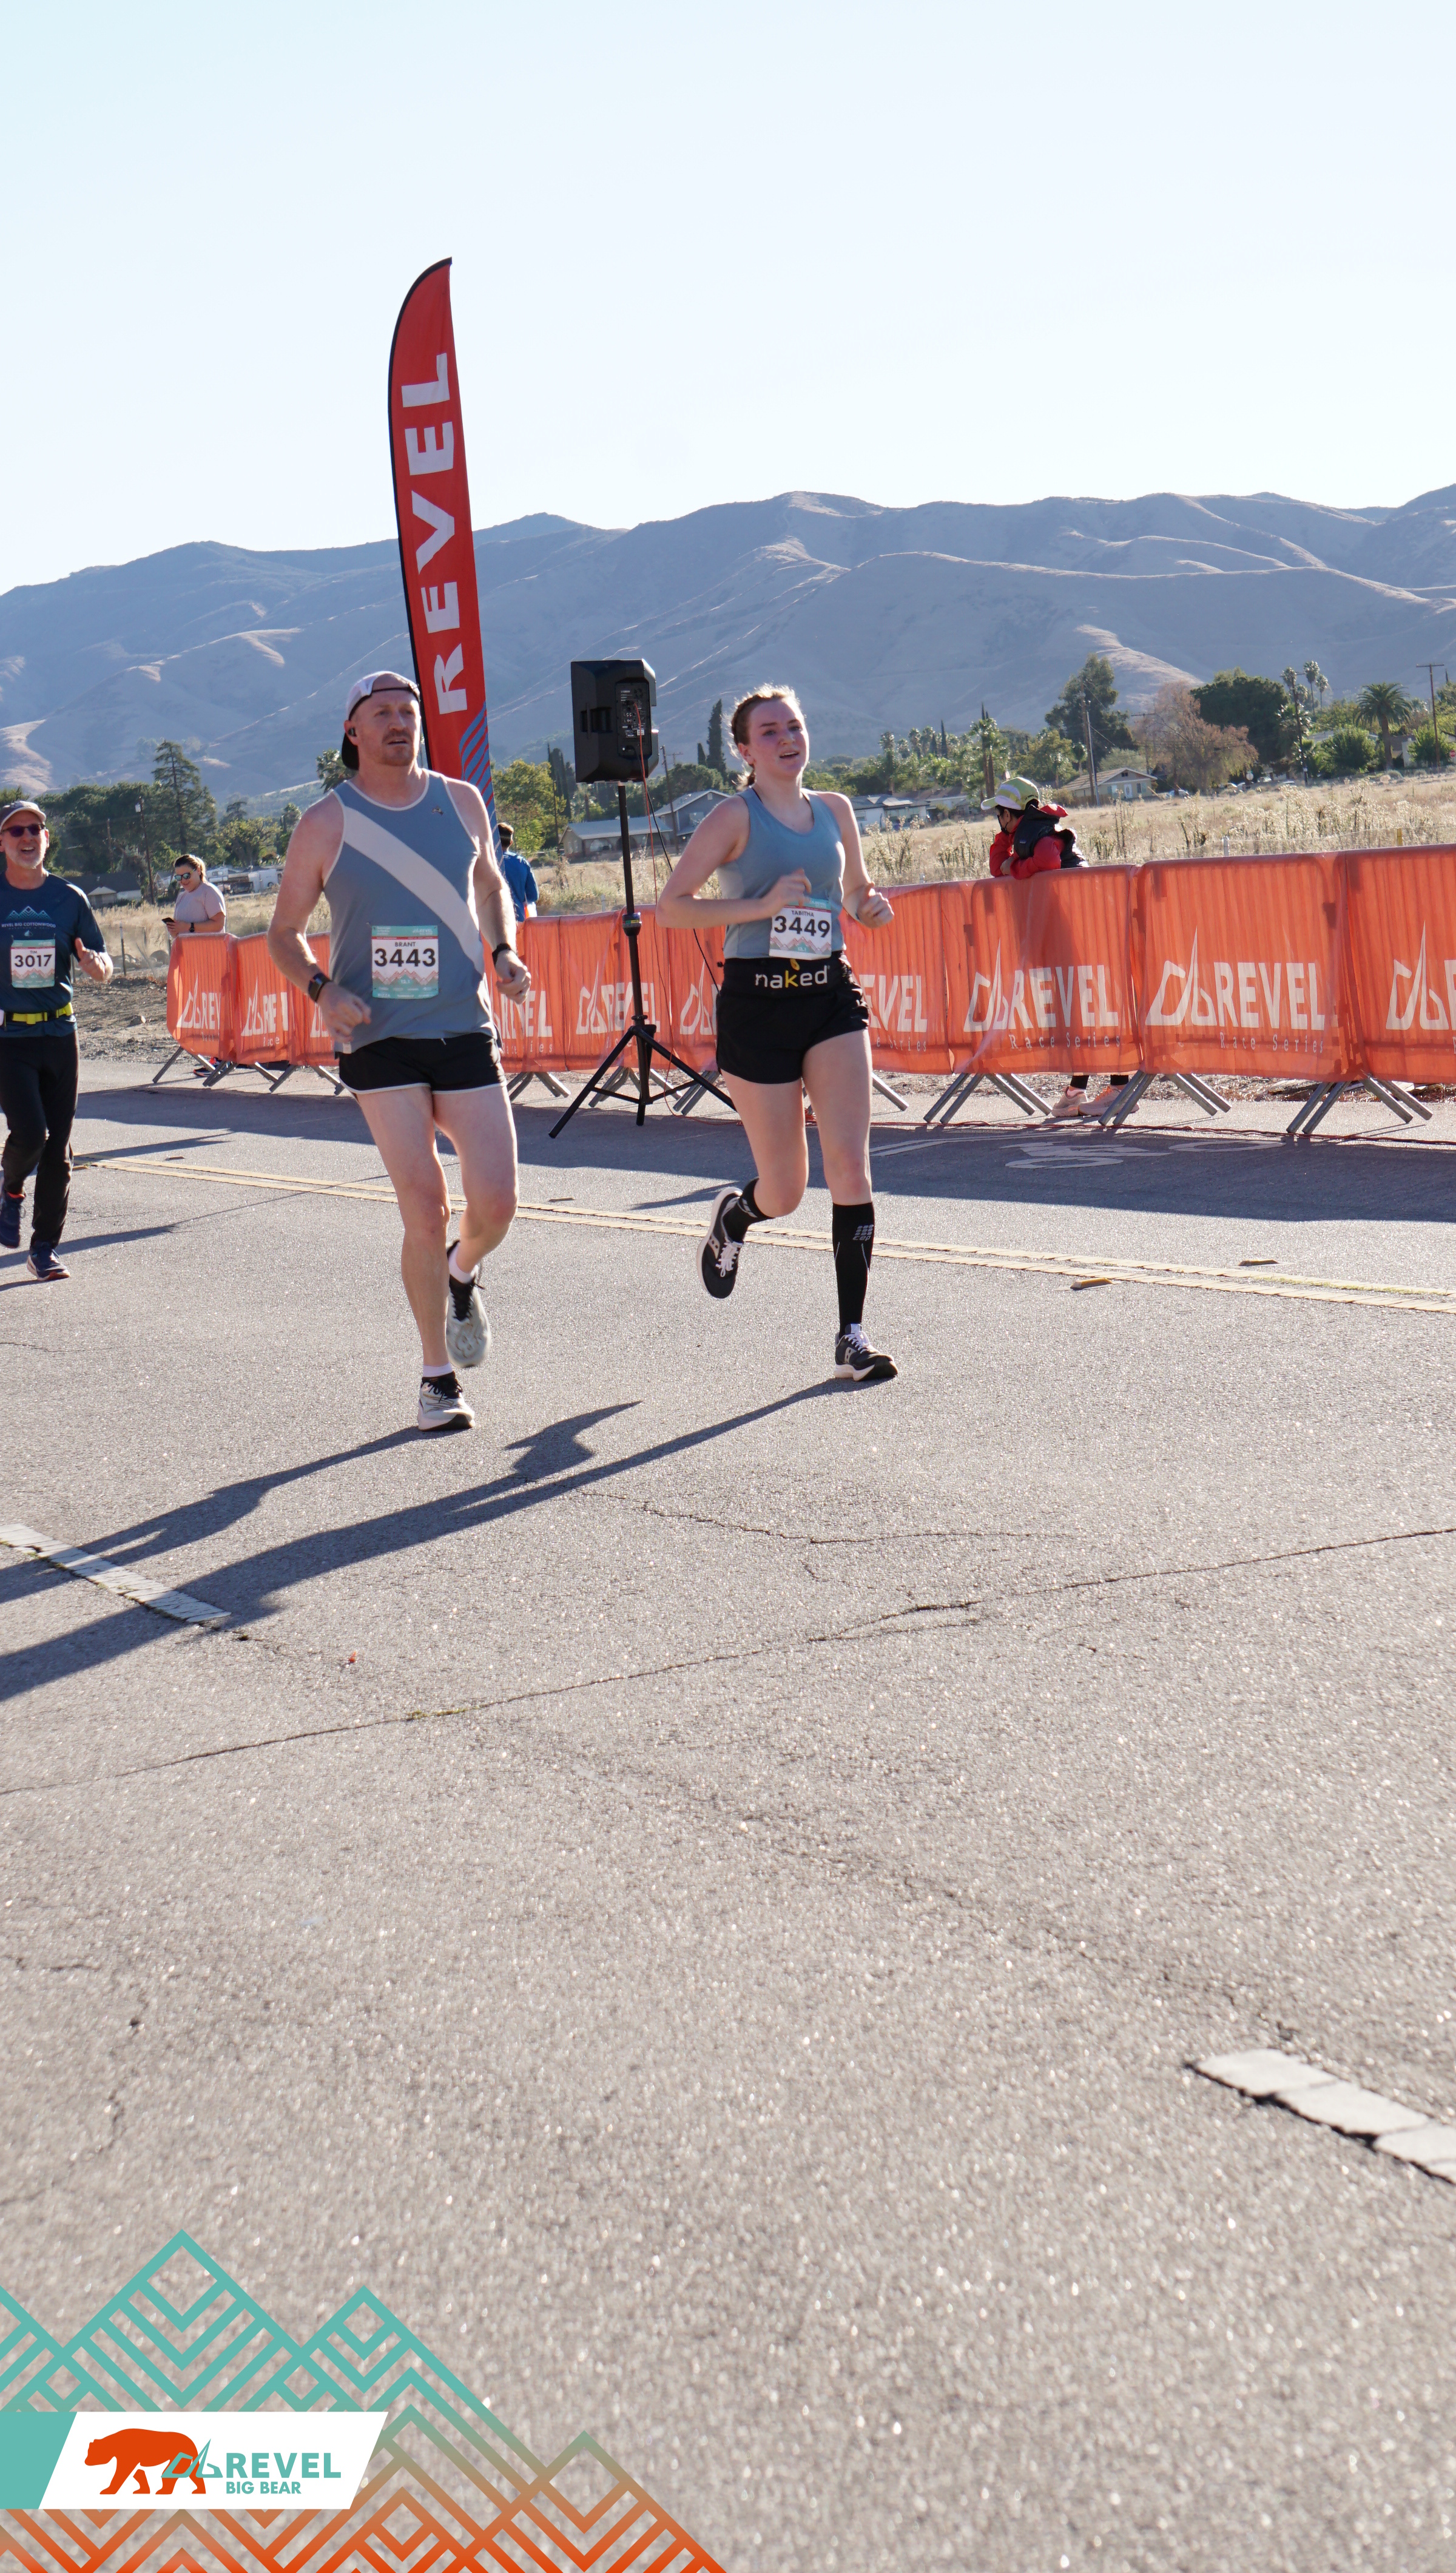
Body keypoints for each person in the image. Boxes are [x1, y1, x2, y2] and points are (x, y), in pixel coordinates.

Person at [267, 673, 532, 1432]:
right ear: (352, 731)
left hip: (462, 1023)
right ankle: (436, 1377)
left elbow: (491, 887)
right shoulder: (327, 820)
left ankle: (461, 1270)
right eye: (381, 712)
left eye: (408, 712)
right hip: (379, 1036)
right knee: (425, 1204)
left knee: (497, 1202)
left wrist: (504, 950)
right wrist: (321, 989)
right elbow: (283, 934)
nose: (398, 722)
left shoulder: (463, 801)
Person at [655, 685, 897, 1383]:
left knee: (849, 1165)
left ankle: (851, 1336)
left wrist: (868, 907)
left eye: (794, 726)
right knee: (786, 1189)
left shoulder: (836, 810)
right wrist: (760, 906)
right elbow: (673, 908)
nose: (787, 739)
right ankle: (736, 1217)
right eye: (769, 731)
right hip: (757, 1005)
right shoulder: (734, 817)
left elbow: (853, 890)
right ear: (744, 750)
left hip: (828, 996)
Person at [0, 799, 113, 1280]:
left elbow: (103, 962)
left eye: (35, 829)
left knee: (58, 1147)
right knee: (31, 1133)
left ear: (47, 838)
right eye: (16, 831)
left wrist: (96, 966)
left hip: (60, 1032)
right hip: (9, 1037)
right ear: (2, 843)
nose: (27, 838)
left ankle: (43, 1248)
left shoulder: (69, 897)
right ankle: (10, 1190)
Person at [982, 775, 1127, 1122]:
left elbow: (1047, 861)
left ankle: (1120, 1087)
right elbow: (996, 866)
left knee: (1094, 1007)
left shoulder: (1040, 834)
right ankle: (1078, 1087)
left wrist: (1017, 867)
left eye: (1000, 814)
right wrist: (1006, 845)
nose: (997, 820)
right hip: (1065, 930)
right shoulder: (1023, 834)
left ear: (1010, 812)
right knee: (1074, 1010)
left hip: (1083, 927)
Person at [163, 854, 226, 938]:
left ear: (198, 871)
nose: (183, 880)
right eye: (179, 877)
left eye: (187, 876)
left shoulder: (209, 891)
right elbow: (177, 933)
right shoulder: (181, 897)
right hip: (186, 946)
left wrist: (188, 927)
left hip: (209, 946)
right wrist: (174, 930)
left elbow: (219, 925)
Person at [496, 822, 538, 922]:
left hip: (494, 922)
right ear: (511, 843)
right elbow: (533, 895)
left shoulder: (488, 863)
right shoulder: (522, 862)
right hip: (518, 920)